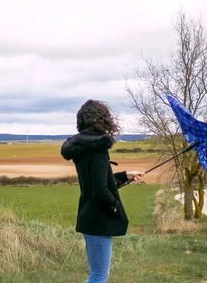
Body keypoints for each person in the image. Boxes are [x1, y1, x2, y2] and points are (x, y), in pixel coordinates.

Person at [61, 99, 144, 283]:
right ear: (102, 119)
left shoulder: (81, 147)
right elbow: (99, 190)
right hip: (98, 220)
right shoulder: (98, 148)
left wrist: (125, 175)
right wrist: (115, 208)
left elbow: (99, 180)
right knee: (99, 276)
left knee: (97, 274)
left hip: (88, 216)